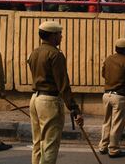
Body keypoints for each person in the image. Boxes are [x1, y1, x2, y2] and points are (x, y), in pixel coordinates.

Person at [28, 21, 84, 164]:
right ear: (53, 36)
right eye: (59, 34)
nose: (61, 36)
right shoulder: (55, 54)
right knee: (49, 144)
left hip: (35, 99)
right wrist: (74, 108)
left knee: (37, 143)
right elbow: (63, 84)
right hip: (49, 102)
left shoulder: (34, 52)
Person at [98, 38, 125, 158]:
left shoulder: (109, 58)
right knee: (117, 124)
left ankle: (103, 146)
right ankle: (114, 149)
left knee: (106, 122)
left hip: (106, 95)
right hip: (120, 96)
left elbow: (104, 74)